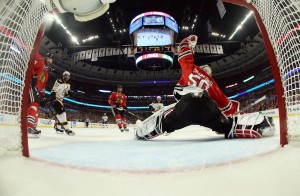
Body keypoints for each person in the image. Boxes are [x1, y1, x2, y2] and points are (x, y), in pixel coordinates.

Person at [135, 35, 275, 140]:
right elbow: (227, 106)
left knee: (164, 121)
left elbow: (183, 55)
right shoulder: (213, 85)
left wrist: (188, 42)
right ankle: (260, 126)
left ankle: (144, 132)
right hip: (205, 108)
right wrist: (233, 113)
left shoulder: (191, 69)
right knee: (227, 125)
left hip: (187, 103)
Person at [27, 53, 53, 138]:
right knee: (34, 104)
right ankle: (29, 127)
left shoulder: (46, 72)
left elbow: (42, 86)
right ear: (45, 57)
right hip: (30, 86)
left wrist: (43, 96)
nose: (49, 60)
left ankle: (33, 127)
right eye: (48, 58)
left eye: (51, 59)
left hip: (37, 90)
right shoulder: (40, 61)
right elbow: (30, 65)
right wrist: (33, 76)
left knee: (37, 109)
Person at [50, 71, 75, 136]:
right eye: (65, 75)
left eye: (68, 76)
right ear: (63, 75)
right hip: (56, 99)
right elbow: (54, 90)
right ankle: (67, 129)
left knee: (59, 115)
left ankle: (58, 127)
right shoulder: (59, 81)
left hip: (61, 100)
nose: (66, 77)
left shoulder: (68, 84)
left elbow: (65, 92)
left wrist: (69, 93)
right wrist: (53, 99)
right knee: (63, 113)